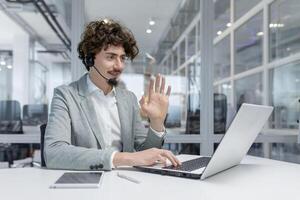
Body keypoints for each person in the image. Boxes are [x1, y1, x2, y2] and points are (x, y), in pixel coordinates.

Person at [44, 18, 181, 171]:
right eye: (110, 57)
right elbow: (53, 153)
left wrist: (156, 121)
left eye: (122, 58)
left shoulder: (128, 99)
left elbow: (146, 153)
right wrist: (121, 158)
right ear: (90, 58)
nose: (119, 66)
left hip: (125, 184)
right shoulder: (66, 96)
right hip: (85, 187)